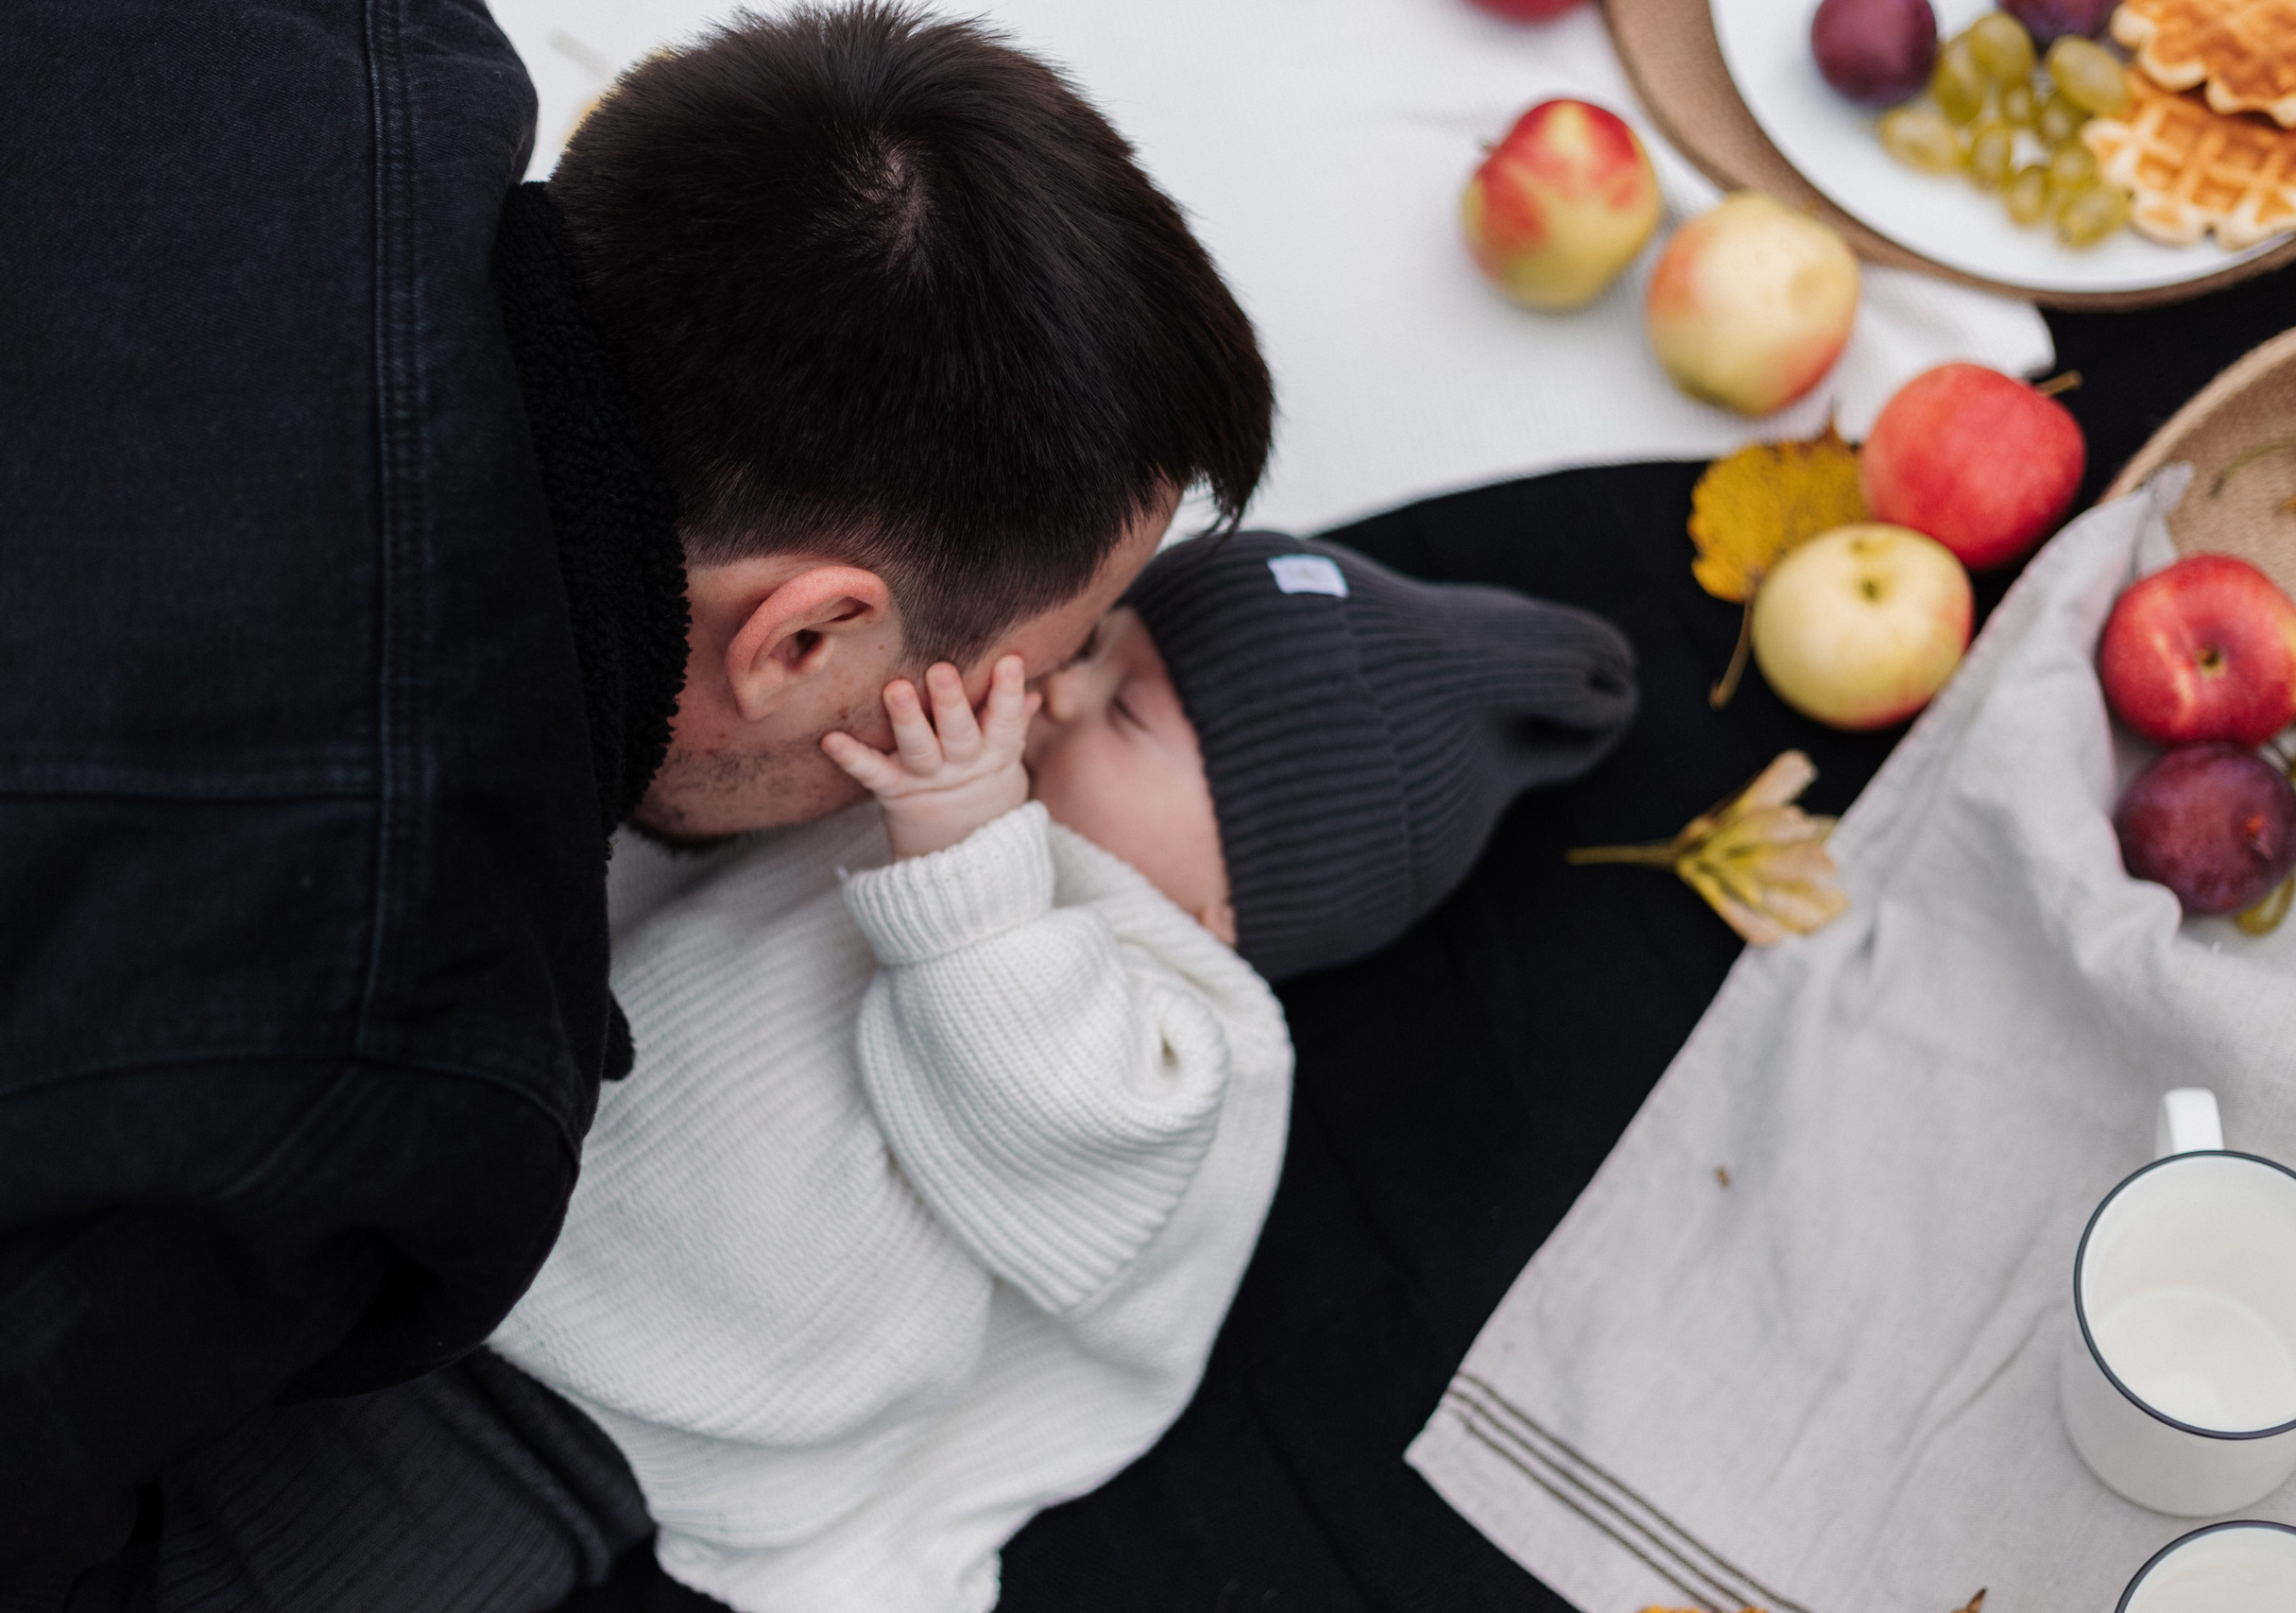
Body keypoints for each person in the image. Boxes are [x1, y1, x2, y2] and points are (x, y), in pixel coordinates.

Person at [0, 3, 1271, 1604]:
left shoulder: (337, 37)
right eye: (1026, 669)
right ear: (805, 636)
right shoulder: (383, 1058)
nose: (1024, 724)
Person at [494, 534, 1638, 1612]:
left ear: (1229, 902)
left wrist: (962, 851)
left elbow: (1047, 1107)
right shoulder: (956, 807)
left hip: (614, 1421)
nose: (1052, 697)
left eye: (1126, 708)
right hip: (479, 1176)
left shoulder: (1189, 1036)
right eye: (1088, 653)